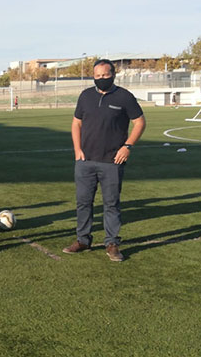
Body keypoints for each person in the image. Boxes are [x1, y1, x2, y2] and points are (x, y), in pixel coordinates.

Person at [63, 59, 146, 262]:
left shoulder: (124, 97)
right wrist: (77, 150)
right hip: (85, 161)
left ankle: (112, 244)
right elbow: (76, 123)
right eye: (97, 76)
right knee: (83, 203)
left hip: (112, 161)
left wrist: (127, 147)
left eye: (105, 75)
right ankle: (83, 240)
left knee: (111, 204)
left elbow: (140, 122)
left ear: (113, 75)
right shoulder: (86, 96)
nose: (101, 79)